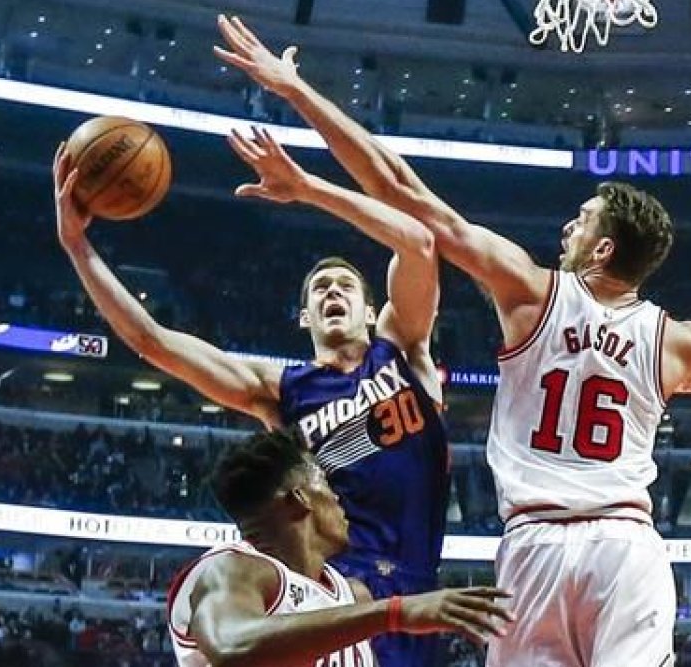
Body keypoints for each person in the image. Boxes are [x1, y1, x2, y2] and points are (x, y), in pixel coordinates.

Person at [212, 15, 691, 666]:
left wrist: (296, 94)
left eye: (581, 218)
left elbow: (404, 189)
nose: (567, 223)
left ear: (603, 249)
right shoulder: (677, 340)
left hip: (535, 554)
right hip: (626, 548)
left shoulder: (527, 291)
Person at [53, 119, 450, 665]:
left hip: (419, 588)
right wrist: (77, 248)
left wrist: (307, 188)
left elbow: (420, 240)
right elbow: (154, 342)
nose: (333, 290)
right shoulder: (280, 387)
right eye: (320, 289)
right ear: (304, 315)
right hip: (335, 590)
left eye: (346, 286)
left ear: (368, 307)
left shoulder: (403, 348)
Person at [166, 428, 511, 667]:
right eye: (325, 483)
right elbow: (231, 647)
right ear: (300, 498)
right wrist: (395, 613)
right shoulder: (233, 568)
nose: (336, 496)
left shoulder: (353, 597)